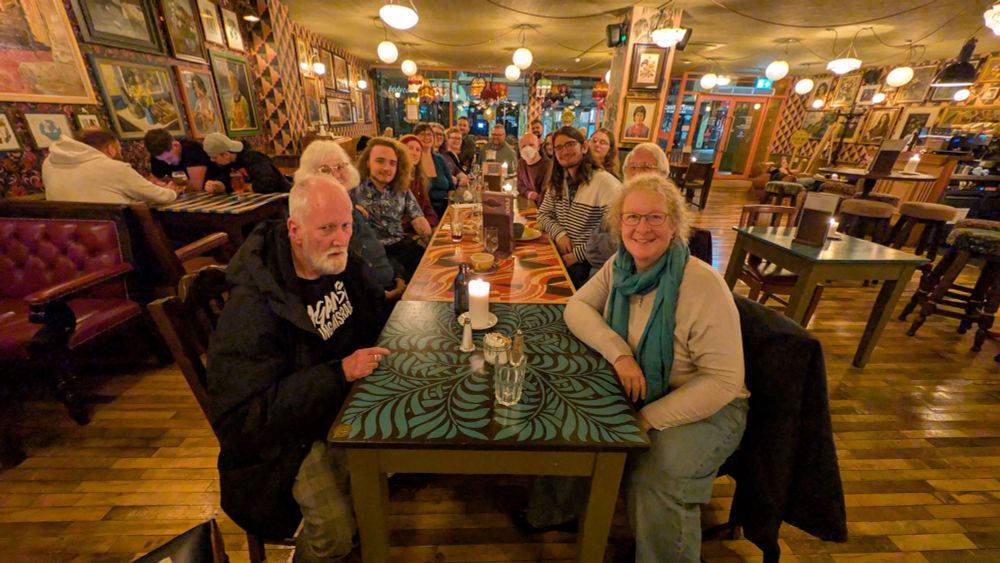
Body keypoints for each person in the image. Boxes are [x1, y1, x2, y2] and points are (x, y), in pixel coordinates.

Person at [523, 174, 749, 563]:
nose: (641, 228)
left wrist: (646, 418)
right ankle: (557, 513)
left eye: (655, 218)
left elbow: (724, 382)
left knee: (657, 473)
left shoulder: (702, 284)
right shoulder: (620, 265)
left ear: (676, 225)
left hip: (705, 405)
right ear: (618, 223)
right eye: (631, 217)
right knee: (570, 419)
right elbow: (577, 307)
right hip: (634, 385)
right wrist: (620, 354)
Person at [206, 174, 391, 562]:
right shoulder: (254, 308)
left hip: (336, 409)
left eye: (346, 226)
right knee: (335, 533)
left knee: (400, 448)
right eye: (326, 228)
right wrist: (338, 373)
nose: (340, 238)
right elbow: (243, 420)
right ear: (295, 229)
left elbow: (376, 316)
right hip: (283, 447)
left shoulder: (337, 262)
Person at [294, 140, 406, 299]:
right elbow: (345, 275)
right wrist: (383, 296)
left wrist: (398, 275)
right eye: (324, 170)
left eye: (340, 167)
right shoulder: (323, 221)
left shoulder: (352, 206)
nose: (335, 175)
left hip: (391, 283)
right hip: (374, 299)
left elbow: (374, 248)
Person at [537, 126, 621, 289]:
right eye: (559, 148)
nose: (564, 151)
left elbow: (613, 236)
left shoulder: (605, 183)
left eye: (570, 145)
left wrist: (576, 255)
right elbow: (543, 214)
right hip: (561, 253)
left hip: (588, 264)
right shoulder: (559, 180)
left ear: (584, 147)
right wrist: (560, 234)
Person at [353, 137, 432, 279]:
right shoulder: (354, 190)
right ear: (368, 163)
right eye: (380, 161)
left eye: (392, 163)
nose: (386, 168)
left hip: (400, 245)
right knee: (405, 278)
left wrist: (432, 247)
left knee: (430, 269)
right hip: (373, 253)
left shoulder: (401, 189)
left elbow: (418, 219)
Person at [44, 128, 181, 204]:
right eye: (119, 149)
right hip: (115, 241)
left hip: (64, 242)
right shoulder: (114, 167)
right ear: (110, 149)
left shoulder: (49, 163)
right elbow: (162, 196)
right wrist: (171, 191)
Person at [203, 132, 291, 194]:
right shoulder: (227, 164)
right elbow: (227, 182)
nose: (212, 160)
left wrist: (245, 187)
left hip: (280, 204)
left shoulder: (254, 158)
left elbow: (268, 183)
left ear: (226, 154)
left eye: (214, 157)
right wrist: (219, 186)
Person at [143, 128, 214, 191]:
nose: (168, 163)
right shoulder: (158, 155)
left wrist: (169, 186)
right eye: (162, 160)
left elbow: (196, 187)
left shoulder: (193, 149)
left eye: (170, 158)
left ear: (176, 145)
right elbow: (155, 179)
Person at [412, 123, 454, 218]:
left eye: (429, 134)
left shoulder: (439, 159)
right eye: (422, 134)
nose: (426, 137)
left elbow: (451, 187)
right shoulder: (413, 162)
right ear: (415, 137)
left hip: (445, 209)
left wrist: (450, 208)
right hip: (423, 213)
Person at [400, 134, 440, 227]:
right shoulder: (395, 179)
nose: (414, 153)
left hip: (421, 228)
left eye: (418, 150)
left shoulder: (419, 177)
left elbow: (428, 208)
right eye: (410, 148)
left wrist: (432, 225)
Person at [516, 132, 549, 203]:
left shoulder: (547, 166)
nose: (527, 148)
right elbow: (519, 185)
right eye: (523, 146)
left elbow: (546, 195)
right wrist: (528, 194)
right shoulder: (521, 163)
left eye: (531, 145)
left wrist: (536, 197)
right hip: (527, 203)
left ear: (538, 147)